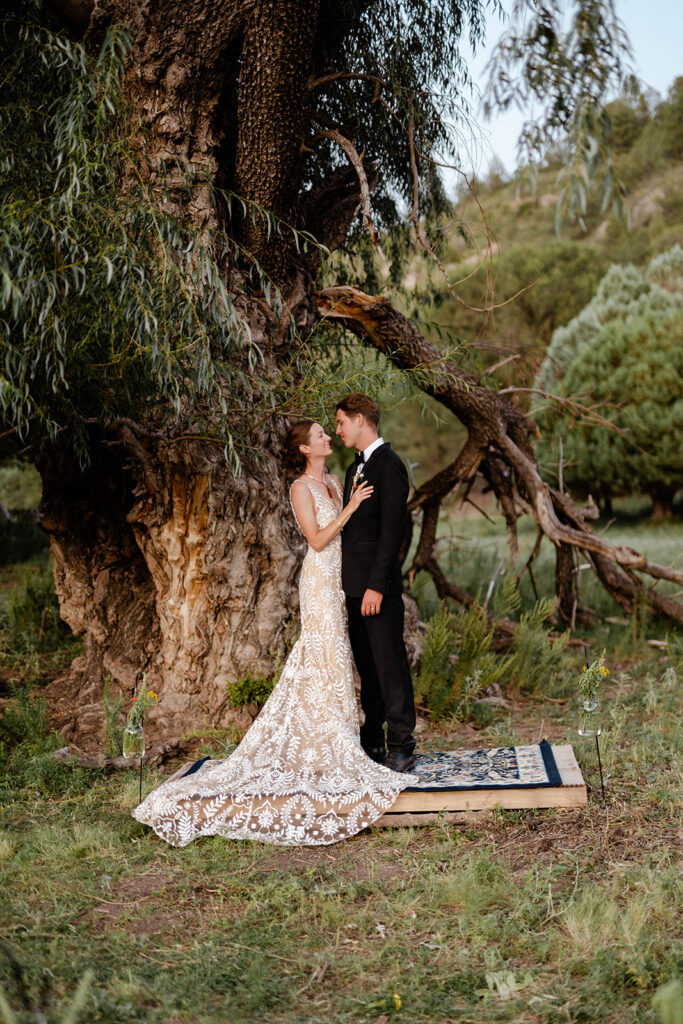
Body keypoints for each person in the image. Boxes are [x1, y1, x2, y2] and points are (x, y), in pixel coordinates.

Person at [132, 419, 413, 847]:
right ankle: (323, 743)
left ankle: (340, 738)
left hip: (346, 580)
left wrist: (355, 517)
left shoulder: (338, 480)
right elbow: (317, 540)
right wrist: (352, 508)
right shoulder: (300, 488)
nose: (327, 437)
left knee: (341, 658)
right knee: (322, 654)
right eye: (320, 434)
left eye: (329, 430)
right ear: (303, 448)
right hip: (321, 579)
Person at [335, 394, 416, 773]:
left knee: (390, 667)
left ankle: (403, 746)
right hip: (354, 589)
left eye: (341, 423)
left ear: (361, 420)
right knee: (367, 669)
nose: (338, 431)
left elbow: (391, 534)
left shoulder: (390, 466)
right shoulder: (356, 469)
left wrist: (376, 587)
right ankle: (373, 741)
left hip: (375, 589)